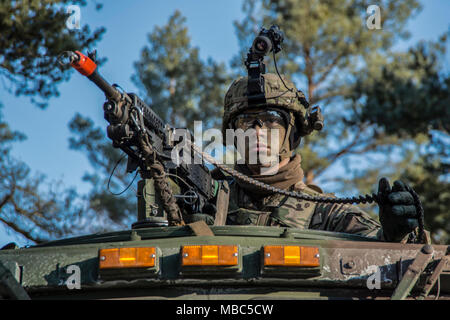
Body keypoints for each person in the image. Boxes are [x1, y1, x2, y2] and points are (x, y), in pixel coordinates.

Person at [216, 73, 427, 243]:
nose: (257, 131)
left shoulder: (324, 211)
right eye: (246, 121)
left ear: (294, 134)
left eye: (271, 120)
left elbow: (377, 244)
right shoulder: (211, 199)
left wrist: (397, 235)